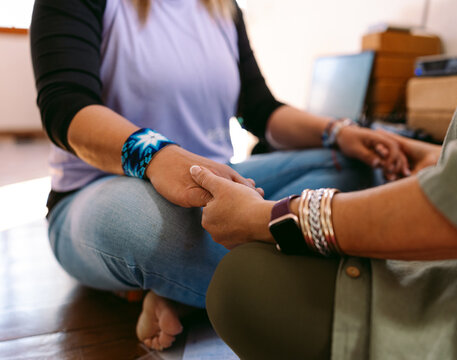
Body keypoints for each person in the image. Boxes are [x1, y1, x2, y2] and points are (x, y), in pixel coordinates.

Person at [30, 0, 409, 351]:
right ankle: (324, 284)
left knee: (354, 166)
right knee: (157, 230)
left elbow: (260, 111)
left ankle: (186, 292)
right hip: (102, 190)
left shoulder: (224, 7)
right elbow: (66, 106)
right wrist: (158, 157)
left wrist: (337, 132)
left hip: (221, 187)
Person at [189, 0, 457, 358]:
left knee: (242, 280)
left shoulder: (224, 9)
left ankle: (180, 290)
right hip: (158, 178)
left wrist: (268, 217)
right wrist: (437, 157)